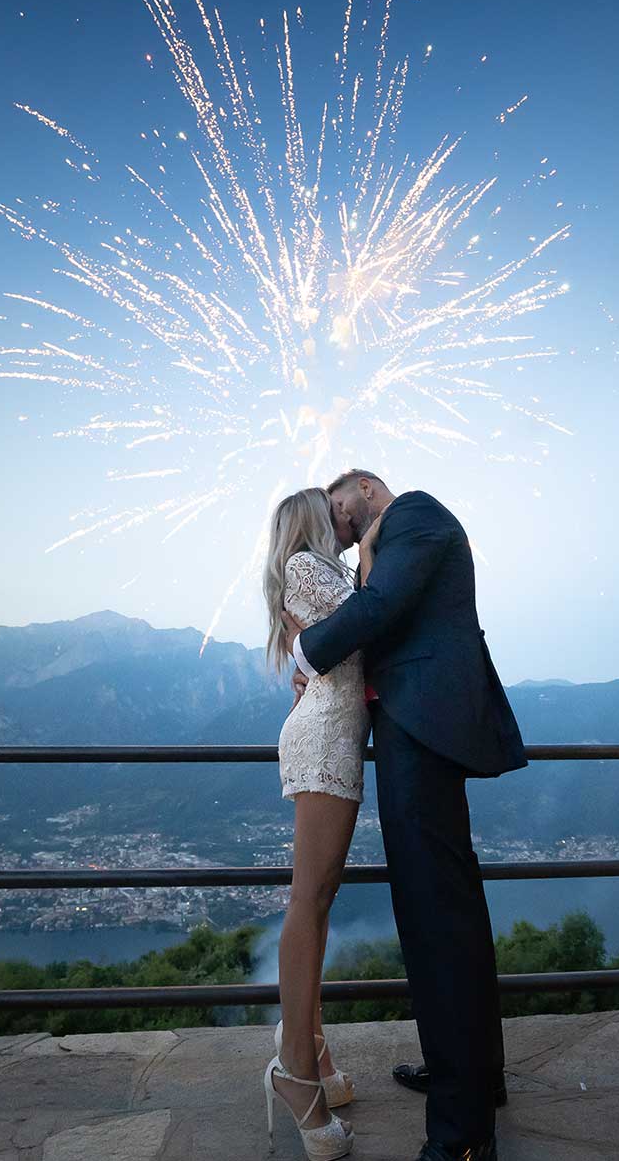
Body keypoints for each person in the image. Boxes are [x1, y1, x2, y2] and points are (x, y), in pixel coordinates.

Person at [287, 469, 526, 1161]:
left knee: (436, 918)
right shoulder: (384, 549)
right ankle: (474, 1077)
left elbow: (381, 608)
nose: (340, 528)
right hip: (416, 730)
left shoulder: (416, 515)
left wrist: (304, 650)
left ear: (364, 486)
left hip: (421, 731)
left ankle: (460, 1134)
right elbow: (380, 612)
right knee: (447, 912)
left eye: (339, 510)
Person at [261, 487, 370, 1159]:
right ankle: (295, 1072)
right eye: (333, 513)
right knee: (310, 897)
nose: (344, 519)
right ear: (309, 520)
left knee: (321, 898)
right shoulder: (306, 565)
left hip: (336, 730)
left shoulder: (325, 572)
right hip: (325, 736)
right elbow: (372, 622)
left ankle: (313, 1047)